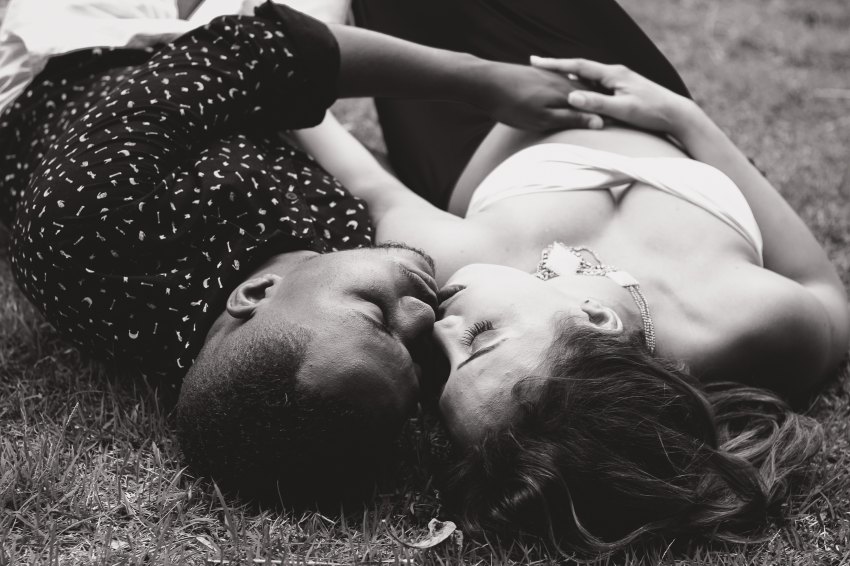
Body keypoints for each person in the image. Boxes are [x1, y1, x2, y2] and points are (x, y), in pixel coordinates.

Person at [287, 0, 850, 551]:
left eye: (445, 373)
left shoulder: (459, 255)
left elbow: (348, 159)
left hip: (458, 129)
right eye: (478, 342)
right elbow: (828, 293)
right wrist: (682, 116)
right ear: (596, 319)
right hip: (626, 84)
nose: (438, 331)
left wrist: (272, 49)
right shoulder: (741, 320)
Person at [0, 0, 602, 505]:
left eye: (374, 314)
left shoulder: (90, 227)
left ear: (255, 294)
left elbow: (258, 46)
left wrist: (483, 81)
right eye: (415, 362)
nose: (426, 317)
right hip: (225, 78)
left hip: (74, 51)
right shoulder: (322, 325)